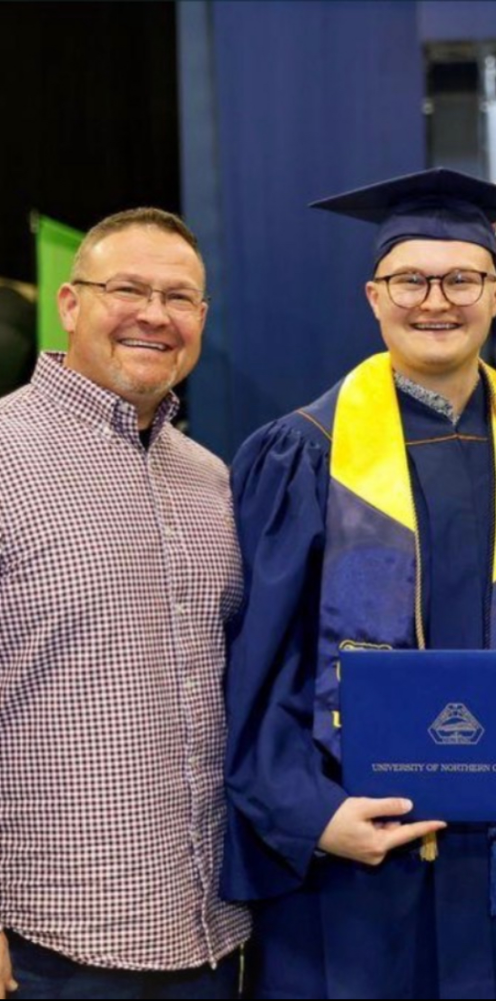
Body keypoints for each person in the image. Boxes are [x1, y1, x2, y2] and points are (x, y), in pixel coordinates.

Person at [223, 168, 496, 999]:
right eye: (411, 279)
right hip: (352, 864)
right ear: (373, 297)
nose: (436, 301)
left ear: (495, 295)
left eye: (462, 279)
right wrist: (313, 816)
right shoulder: (305, 449)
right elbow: (256, 671)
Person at [0, 207, 249, 1000]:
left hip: (211, 929)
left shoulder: (210, 478)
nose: (154, 314)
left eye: (178, 297)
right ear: (70, 303)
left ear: (201, 320)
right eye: (128, 289)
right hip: (52, 943)